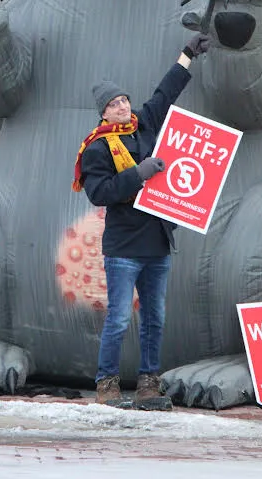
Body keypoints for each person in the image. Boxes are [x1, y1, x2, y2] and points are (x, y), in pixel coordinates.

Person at [72, 32, 210, 409]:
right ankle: (107, 384)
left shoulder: (143, 125)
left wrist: (187, 54)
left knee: (155, 319)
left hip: (156, 241)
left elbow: (166, 93)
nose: (121, 106)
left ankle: (149, 382)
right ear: (103, 113)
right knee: (119, 319)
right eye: (113, 104)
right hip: (124, 247)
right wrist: (139, 173)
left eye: (123, 100)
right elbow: (100, 192)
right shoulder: (97, 147)